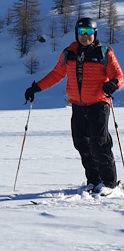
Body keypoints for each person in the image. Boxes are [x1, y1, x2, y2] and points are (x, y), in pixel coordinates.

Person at [25, 18, 124, 195]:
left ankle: (109, 184)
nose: (85, 36)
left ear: (94, 34)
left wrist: (114, 84)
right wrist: (36, 87)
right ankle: (93, 181)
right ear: (76, 34)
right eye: (81, 32)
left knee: (99, 143)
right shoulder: (68, 53)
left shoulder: (104, 53)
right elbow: (56, 74)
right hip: (78, 105)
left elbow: (118, 75)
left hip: (99, 104)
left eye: (88, 33)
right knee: (82, 144)